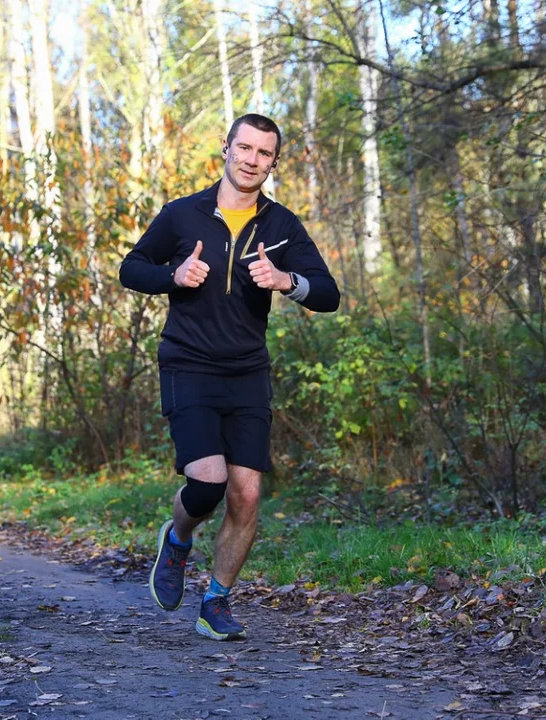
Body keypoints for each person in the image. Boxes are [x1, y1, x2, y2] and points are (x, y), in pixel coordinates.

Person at [119, 114, 340, 640]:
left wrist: (288, 281)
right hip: (188, 364)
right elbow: (131, 268)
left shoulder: (281, 226)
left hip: (247, 372)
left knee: (246, 493)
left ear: (273, 163)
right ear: (226, 148)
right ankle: (176, 539)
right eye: (244, 148)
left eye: (264, 154)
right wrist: (171, 275)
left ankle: (215, 601)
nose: (251, 160)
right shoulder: (183, 215)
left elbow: (328, 294)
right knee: (209, 480)